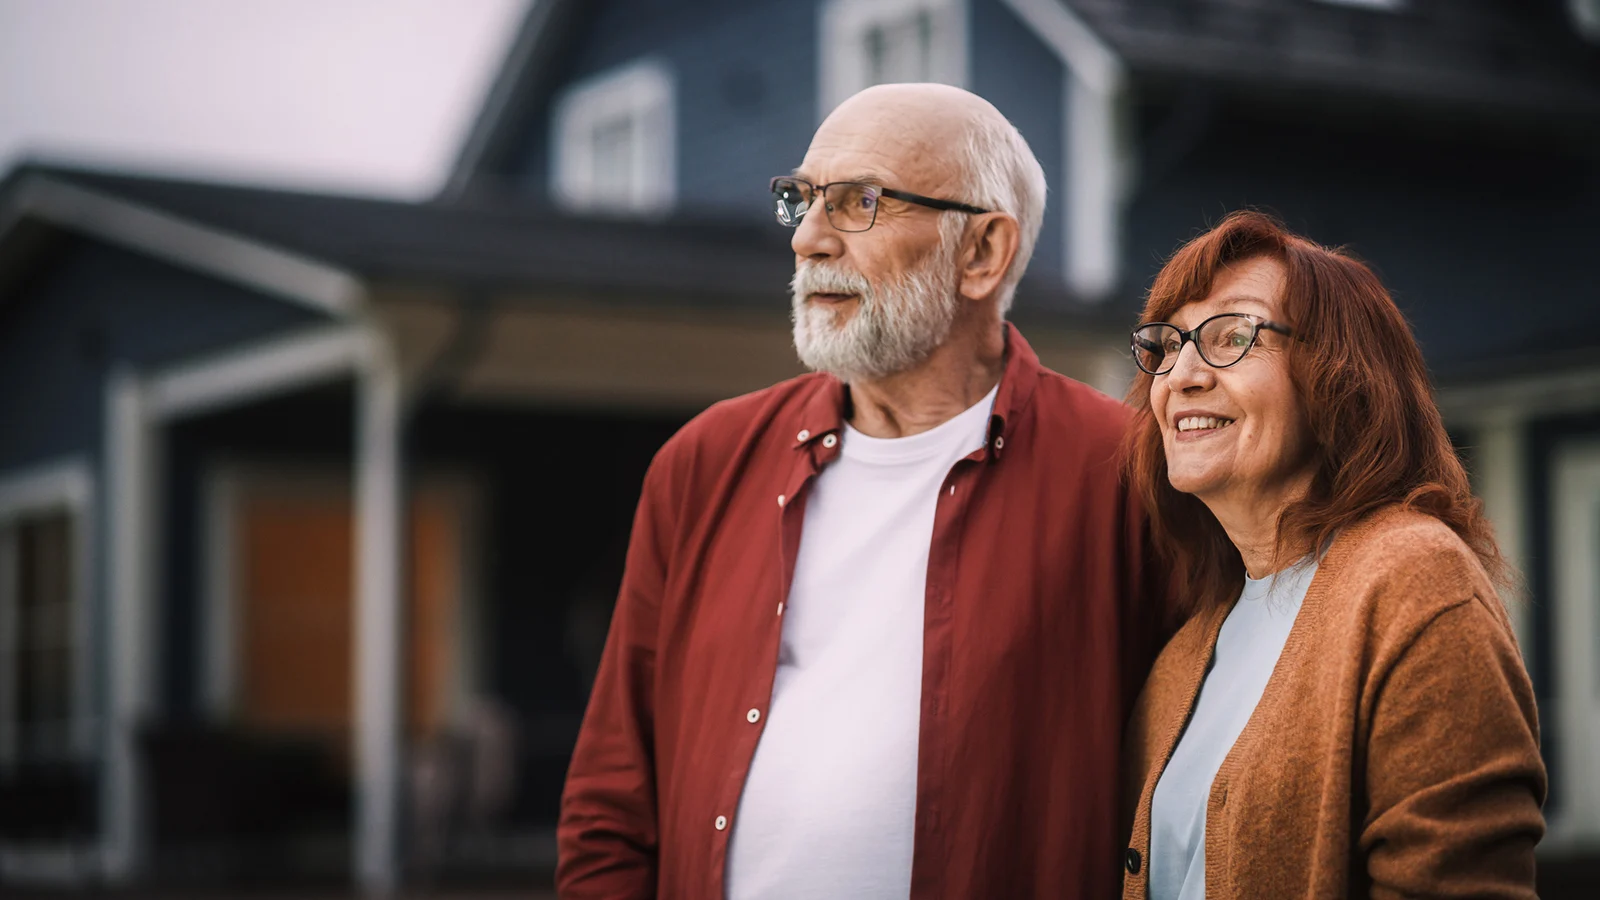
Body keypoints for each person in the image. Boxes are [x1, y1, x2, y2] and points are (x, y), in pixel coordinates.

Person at [557, 83, 1168, 899]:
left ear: (982, 252)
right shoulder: (703, 463)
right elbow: (611, 796)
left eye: (860, 203)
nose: (808, 239)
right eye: (803, 200)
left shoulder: (1126, 472)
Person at [1119, 210, 1546, 899]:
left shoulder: (1414, 583)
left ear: (1340, 379)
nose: (1181, 375)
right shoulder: (1183, 653)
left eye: (1232, 337)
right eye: (1166, 346)